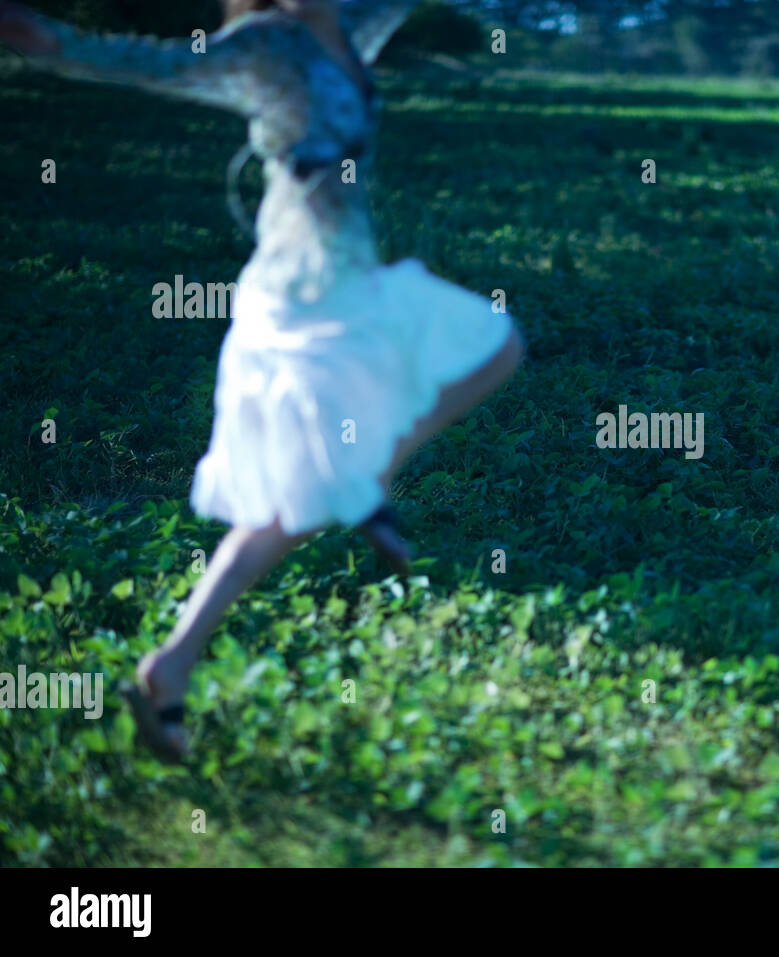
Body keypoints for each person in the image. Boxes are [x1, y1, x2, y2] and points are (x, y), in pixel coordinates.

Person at [0, 0, 525, 763]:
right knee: (484, 351)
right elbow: (150, 65)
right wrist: (44, 42)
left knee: (479, 359)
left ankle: (170, 665)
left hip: (354, 283)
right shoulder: (265, 46)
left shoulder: (351, 25)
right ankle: (367, 476)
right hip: (301, 294)